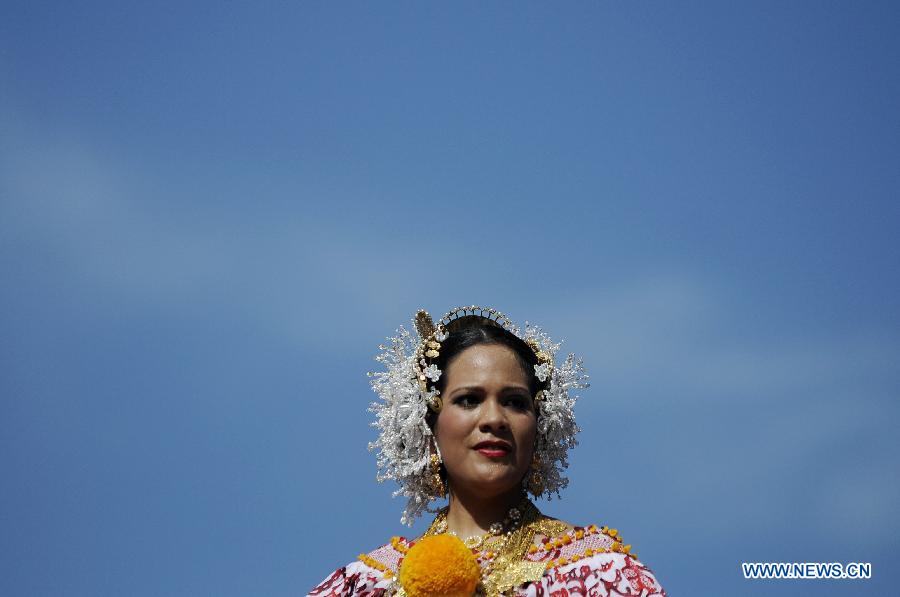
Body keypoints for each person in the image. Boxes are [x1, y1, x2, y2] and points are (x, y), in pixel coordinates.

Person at [310, 306, 666, 596]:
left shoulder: (597, 573)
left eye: (514, 402)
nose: (494, 418)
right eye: (468, 400)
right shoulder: (365, 584)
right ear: (428, 424)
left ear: (539, 427)